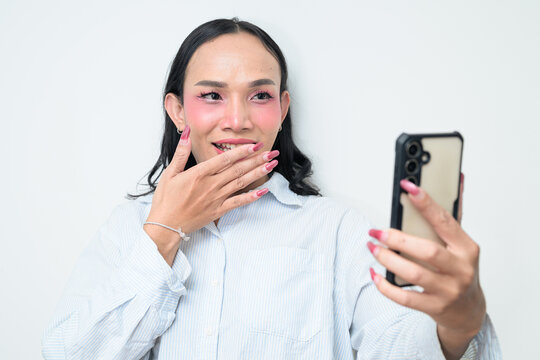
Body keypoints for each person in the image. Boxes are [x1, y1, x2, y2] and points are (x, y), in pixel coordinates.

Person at [42, 18, 501, 359]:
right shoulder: (128, 228)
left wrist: (458, 325)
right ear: (178, 111)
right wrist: (164, 232)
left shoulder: (335, 230)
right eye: (212, 95)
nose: (238, 120)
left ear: (282, 109)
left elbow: (397, 344)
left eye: (260, 95)